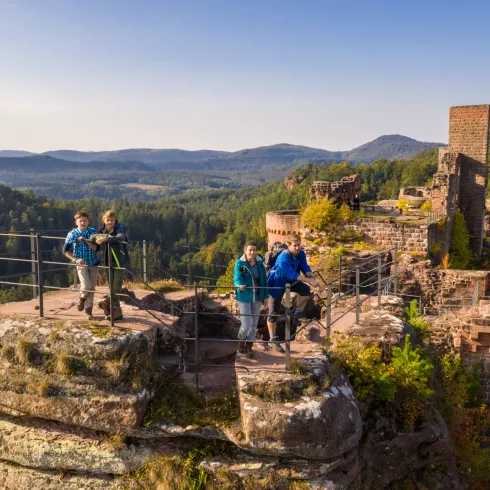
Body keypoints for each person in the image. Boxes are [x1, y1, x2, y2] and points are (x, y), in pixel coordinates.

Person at [267, 234, 320, 352]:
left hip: (291, 282)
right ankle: (272, 338)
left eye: (299, 245)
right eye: (295, 245)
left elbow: (304, 266)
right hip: (278, 282)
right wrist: (309, 280)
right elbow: (290, 273)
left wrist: (311, 275)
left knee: (305, 290)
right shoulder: (283, 257)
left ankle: (297, 312)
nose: (297, 248)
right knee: (273, 311)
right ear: (289, 245)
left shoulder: (301, 253)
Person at [91, 210, 130, 321]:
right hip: (108, 261)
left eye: (112, 220)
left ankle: (105, 302)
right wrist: (102, 236)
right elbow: (92, 236)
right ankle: (116, 314)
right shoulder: (102, 229)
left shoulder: (119, 227)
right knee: (111, 287)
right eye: (107, 220)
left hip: (119, 260)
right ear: (104, 220)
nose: (110, 222)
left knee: (117, 287)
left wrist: (107, 238)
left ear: (115, 220)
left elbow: (121, 237)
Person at [233, 241, 269, 358]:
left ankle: (249, 347)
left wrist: (265, 296)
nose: (252, 252)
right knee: (246, 324)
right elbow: (237, 278)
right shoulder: (240, 263)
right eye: (250, 250)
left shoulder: (260, 263)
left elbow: (264, 280)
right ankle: (240, 343)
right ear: (245, 251)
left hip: (257, 296)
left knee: (254, 325)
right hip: (244, 296)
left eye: (254, 250)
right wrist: (239, 285)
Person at [62, 211, 99, 319]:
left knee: (92, 288)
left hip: (93, 262)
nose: (83, 223)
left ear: (88, 221)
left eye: (85, 220)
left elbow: (97, 248)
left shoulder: (93, 232)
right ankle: (82, 298)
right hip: (81, 264)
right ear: (76, 222)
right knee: (86, 285)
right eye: (80, 221)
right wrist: (76, 259)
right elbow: (65, 251)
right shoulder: (72, 234)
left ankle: (89, 312)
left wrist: (88, 241)